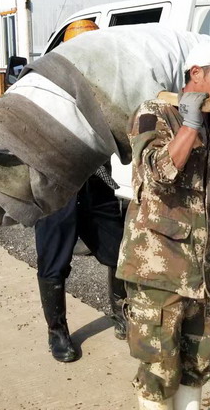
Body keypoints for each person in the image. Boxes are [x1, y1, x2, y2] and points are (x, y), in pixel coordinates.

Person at [117, 40, 210, 410]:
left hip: (201, 270)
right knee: (159, 369)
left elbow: (208, 199)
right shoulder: (154, 113)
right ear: (196, 73)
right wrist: (190, 125)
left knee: (196, 365)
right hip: (159, 267)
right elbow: (157, 175)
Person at [34, 19, 127, 363]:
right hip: (55, 185)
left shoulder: (105, 83)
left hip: (96, 181)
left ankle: (122, 312)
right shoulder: (43, 82)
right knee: (54, 261)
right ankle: (56, 331)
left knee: (119, 252)